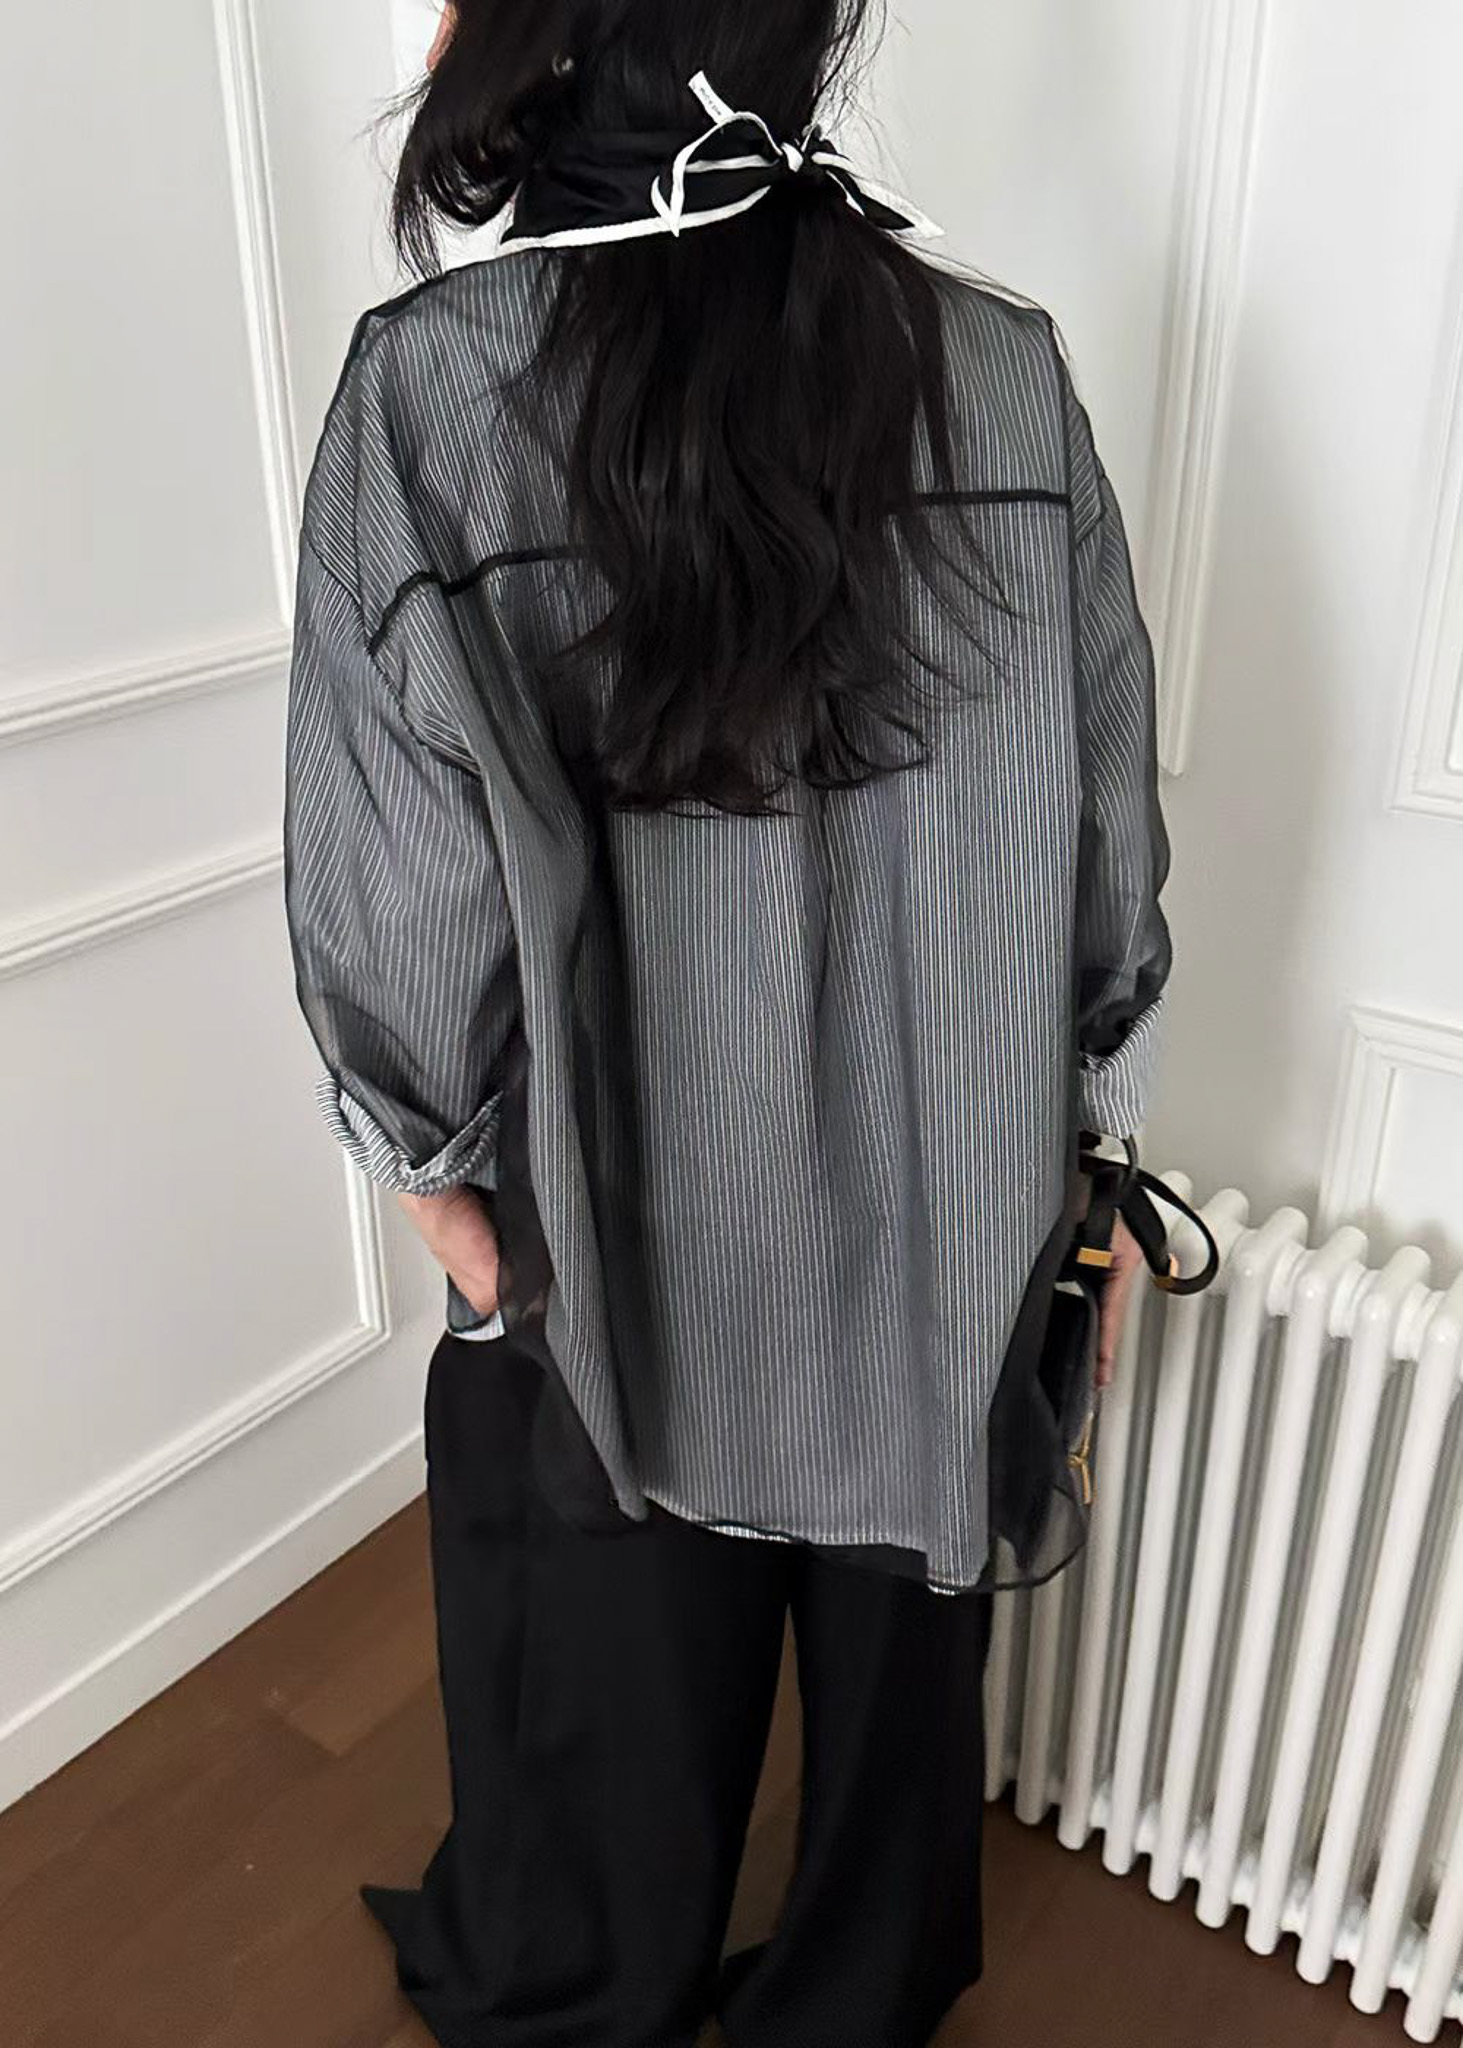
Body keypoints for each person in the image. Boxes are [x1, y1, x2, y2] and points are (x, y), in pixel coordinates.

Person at [281, 2, 1172, 2042]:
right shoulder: (1000, 369)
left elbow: (397, 877)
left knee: (609, 1621)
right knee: (902, 1625)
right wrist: (1092, 1137)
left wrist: (431, 1171)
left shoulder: (433, 393)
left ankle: (596, 1987)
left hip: (616, 1193)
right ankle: (855, 1993)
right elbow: (1102, 823)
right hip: (952, 1178)